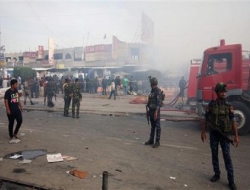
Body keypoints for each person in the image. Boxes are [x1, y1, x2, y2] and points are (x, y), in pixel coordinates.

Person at [201, 82, 239, 190]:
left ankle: (231, 180)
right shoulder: (212, 105)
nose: (223, 93)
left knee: (227, 157)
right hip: (214, 134)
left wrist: (236, 135)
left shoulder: (228, 105)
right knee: (214, 155)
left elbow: (233, 120)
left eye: (224, 92)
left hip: (225, 135)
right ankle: (216, 174)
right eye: (221, 92)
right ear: (217, 92)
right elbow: (206, 118)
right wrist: (203, 132)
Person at [144, 77, 161, 148]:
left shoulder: (158, 91)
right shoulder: (152, 91)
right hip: (151, 110)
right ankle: (151, 140)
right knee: (152, 126)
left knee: (157, 126)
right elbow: (151, 100)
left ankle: (157, 141)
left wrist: (156, 112)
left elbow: (158, 103)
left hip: (155, 111)